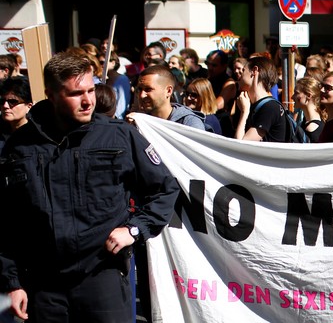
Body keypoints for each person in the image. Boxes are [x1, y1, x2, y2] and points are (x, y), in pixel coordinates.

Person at [0, 51, 180, 322]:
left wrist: (134, 230)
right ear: (51, 94)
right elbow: (7, 219)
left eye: (91, 90)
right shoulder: (21, 145)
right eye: (75, 94)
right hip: (43, 284)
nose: (87, 101)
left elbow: (165, 188)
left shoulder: (119, 135)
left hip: (102, 277)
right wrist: (12, 282)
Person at [135, 65, 207, 130]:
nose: (142, 95)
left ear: (168, 91)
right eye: (139, 89)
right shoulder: (138, 120)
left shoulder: (189, 123)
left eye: (148, 89)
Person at [235, 56, 286, 142]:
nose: (239, 75)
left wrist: (244, 112)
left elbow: (242, 145)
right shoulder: (253, 105)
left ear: (254, 71)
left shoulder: (270, 108)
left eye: (243, 70)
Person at [293, 77, 324, 142]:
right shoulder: (305, 121)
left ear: (309, 95)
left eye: (296, 93)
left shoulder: (311, 128)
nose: (292, 97)